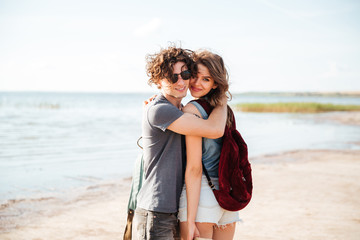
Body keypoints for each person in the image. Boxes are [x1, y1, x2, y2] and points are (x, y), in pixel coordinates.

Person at [132, 46, 228, 240]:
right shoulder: (160, 110)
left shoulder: (180, 110)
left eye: (185, 74)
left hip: (170, 210)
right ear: (158, 81)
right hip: (156, 211)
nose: (181, 81)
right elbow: (215, 129)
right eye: (172, 76)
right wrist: (223, 99)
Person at [178, 50, 240, 240]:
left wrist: (189, 220)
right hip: (226, 194)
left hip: (202, 197)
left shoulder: (192, 109)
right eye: (195, 76)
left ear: (215, 83)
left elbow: (195, 168)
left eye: (206, 79)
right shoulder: (223, 112)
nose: (197, 83)